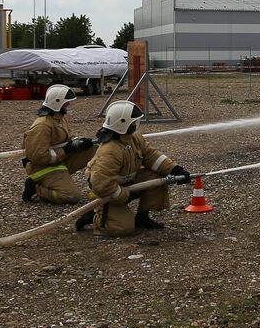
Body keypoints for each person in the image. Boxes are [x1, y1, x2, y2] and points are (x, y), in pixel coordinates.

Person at [77, 101, 191, 235]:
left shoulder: (133, 138)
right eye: (132, 122)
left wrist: (175, 169)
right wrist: (123, 194)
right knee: (122, 228)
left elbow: (152, 156)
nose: (135, 124)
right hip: (109, 191)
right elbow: (101, 184)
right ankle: (96, 216)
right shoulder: (110, 150)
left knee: (158, 176)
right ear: (122, 123)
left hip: (127, 184)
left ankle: (142, 217)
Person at [21, 85, 97, 204]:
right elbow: (37, 157)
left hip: (60, 160)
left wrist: (80, 143)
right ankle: (36, 188)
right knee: (71, 196)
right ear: (57, 103)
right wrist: (66, 150)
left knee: (95, 149)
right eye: (66, 103)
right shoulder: (42, 126)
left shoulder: (60, 118)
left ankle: (98, 188)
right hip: (43, 168)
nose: (68, 105)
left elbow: (67, 139)